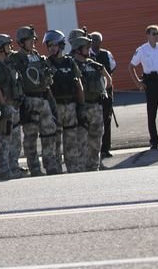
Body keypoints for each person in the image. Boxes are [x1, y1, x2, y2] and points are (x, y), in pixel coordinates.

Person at [9, 26, 57, 177]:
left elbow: (48, 79)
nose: (33, 43)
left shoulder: (37, 56)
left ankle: (51, 165)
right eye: (30, 40)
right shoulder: (16, 58)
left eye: (34, 40)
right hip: (29, 100)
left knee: (49, 133)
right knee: (31, 136)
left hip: (43, 98)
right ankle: (35, 168)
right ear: (22, 42)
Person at [44, 30, 85, 174]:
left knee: (71, 140)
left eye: (53, 45)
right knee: (55, 140)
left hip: (71, 106)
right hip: (56, 107)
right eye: (49, 46)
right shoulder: (47, 63)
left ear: (61, 44)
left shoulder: (70, 61)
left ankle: (73, 167)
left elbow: (78, 84)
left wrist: (82, 106)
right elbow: (46, 87)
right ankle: (55, 168)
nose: (51, 48)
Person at [70, 34, 112, 171]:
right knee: (81, 142)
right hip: (83, 107)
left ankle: (95, 167)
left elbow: (109, 81)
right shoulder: (72, 65)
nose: (89, 50)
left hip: (96, 106)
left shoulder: (92, 64)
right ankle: (82, 168)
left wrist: (100, 88)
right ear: (78, 49)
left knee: (96, 140)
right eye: (86, 48)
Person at [0, 34, 24, 180]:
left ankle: (13, 167)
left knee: (16, 139)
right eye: (7, 45)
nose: (10, 47)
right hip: (5, 107)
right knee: (4, 139)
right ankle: (4, 169)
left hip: (14, 105)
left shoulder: (9, 63)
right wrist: (3, 105)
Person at [128, 25, 158, 149]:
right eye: (153, 34)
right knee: (152, 113)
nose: (156, 36)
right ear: (148, 35)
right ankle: (154, 141)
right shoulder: (142, 50)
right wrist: (138, 83)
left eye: (157, 33)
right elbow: (131, 67)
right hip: (150, 82)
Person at [89, 32, 116, 158]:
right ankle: (94, 149)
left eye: (97, 40)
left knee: (107, 119)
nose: (95, 43)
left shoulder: (106, 54)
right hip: (93, 92)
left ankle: (105, 148)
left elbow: (112, 68)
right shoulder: (86, 55)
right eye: (93, 40)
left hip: (106, 91)